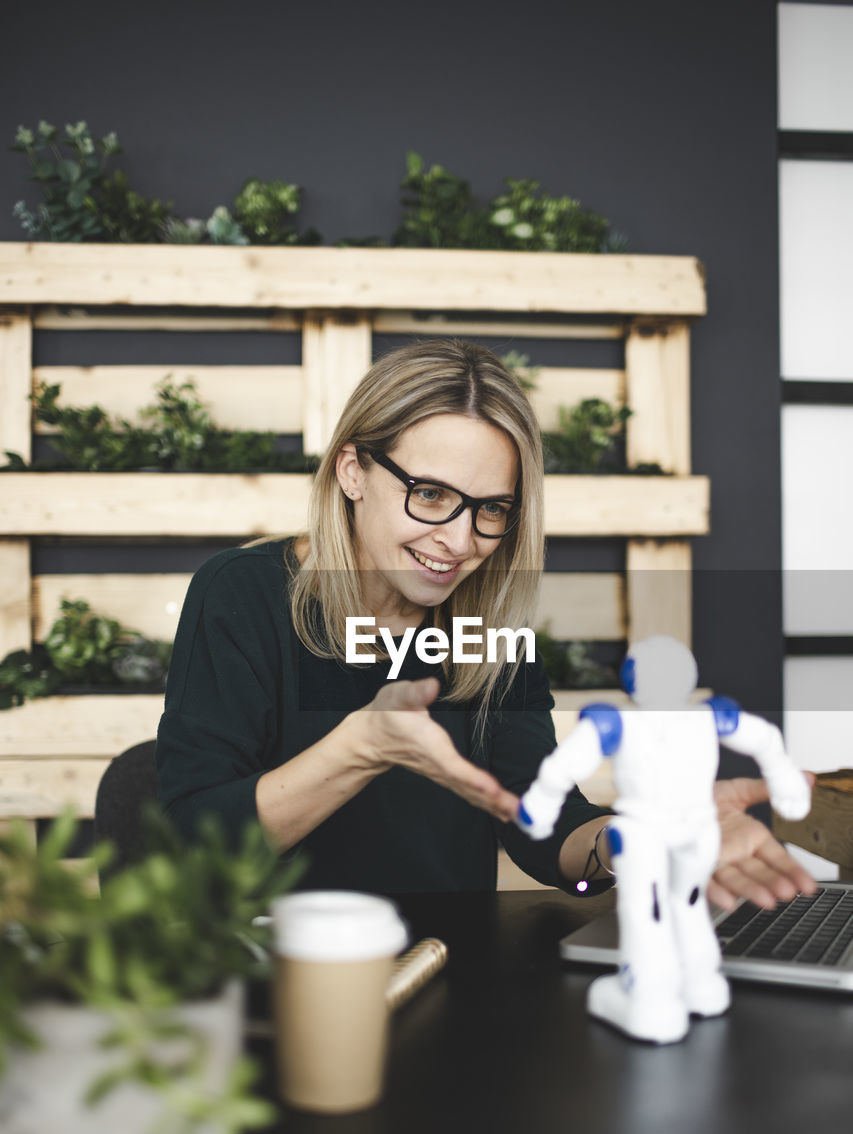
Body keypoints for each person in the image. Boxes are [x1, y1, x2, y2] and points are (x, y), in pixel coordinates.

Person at [156, 339, 816, 906]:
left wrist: (632, 842)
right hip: (278, 972)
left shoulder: (484, 623)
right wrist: (361, 749)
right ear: (352, 470)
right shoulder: (241, 594)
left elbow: (543, 831)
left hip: (450, 970)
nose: (459, 540)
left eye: (491, 508)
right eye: (432, 495)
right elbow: (192, 844)